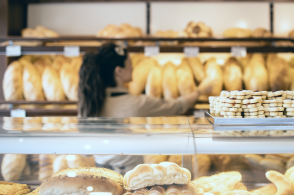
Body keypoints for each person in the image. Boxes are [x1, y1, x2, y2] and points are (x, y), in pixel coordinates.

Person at [78, 43, 213, 174]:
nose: (133, 67)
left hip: (100, 173)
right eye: (130, 63)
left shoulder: (89, 103)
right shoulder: (137, 104)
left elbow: (85, 151)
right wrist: (200, 91)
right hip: (130, 176)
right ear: (119, 71)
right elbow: (177, 106)